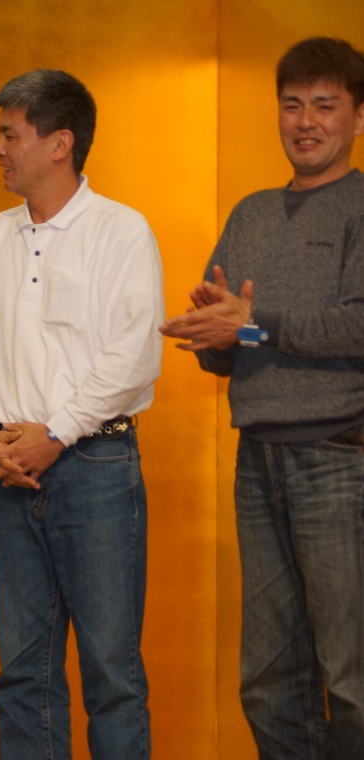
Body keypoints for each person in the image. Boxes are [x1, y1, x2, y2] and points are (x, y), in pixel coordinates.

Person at [0, 69, 164, 758]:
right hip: (9, 472)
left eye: (11, 135)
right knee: (21, 677)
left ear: (60, 143)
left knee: (112, 674)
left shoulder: (121, 231)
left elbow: (133, 355)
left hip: (95, 465)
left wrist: (58, 433)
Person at [160, 36, 364, 758]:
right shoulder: (249, 212)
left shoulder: (359, 204)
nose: (305, 121)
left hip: (340, 459)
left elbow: (357, 324)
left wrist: (255, 322)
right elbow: (241, 344)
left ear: (357, 117)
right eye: (291, 105)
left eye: (324, 105)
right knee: (270, 679)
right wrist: (214, 337)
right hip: (259, 462)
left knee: (350, 678)